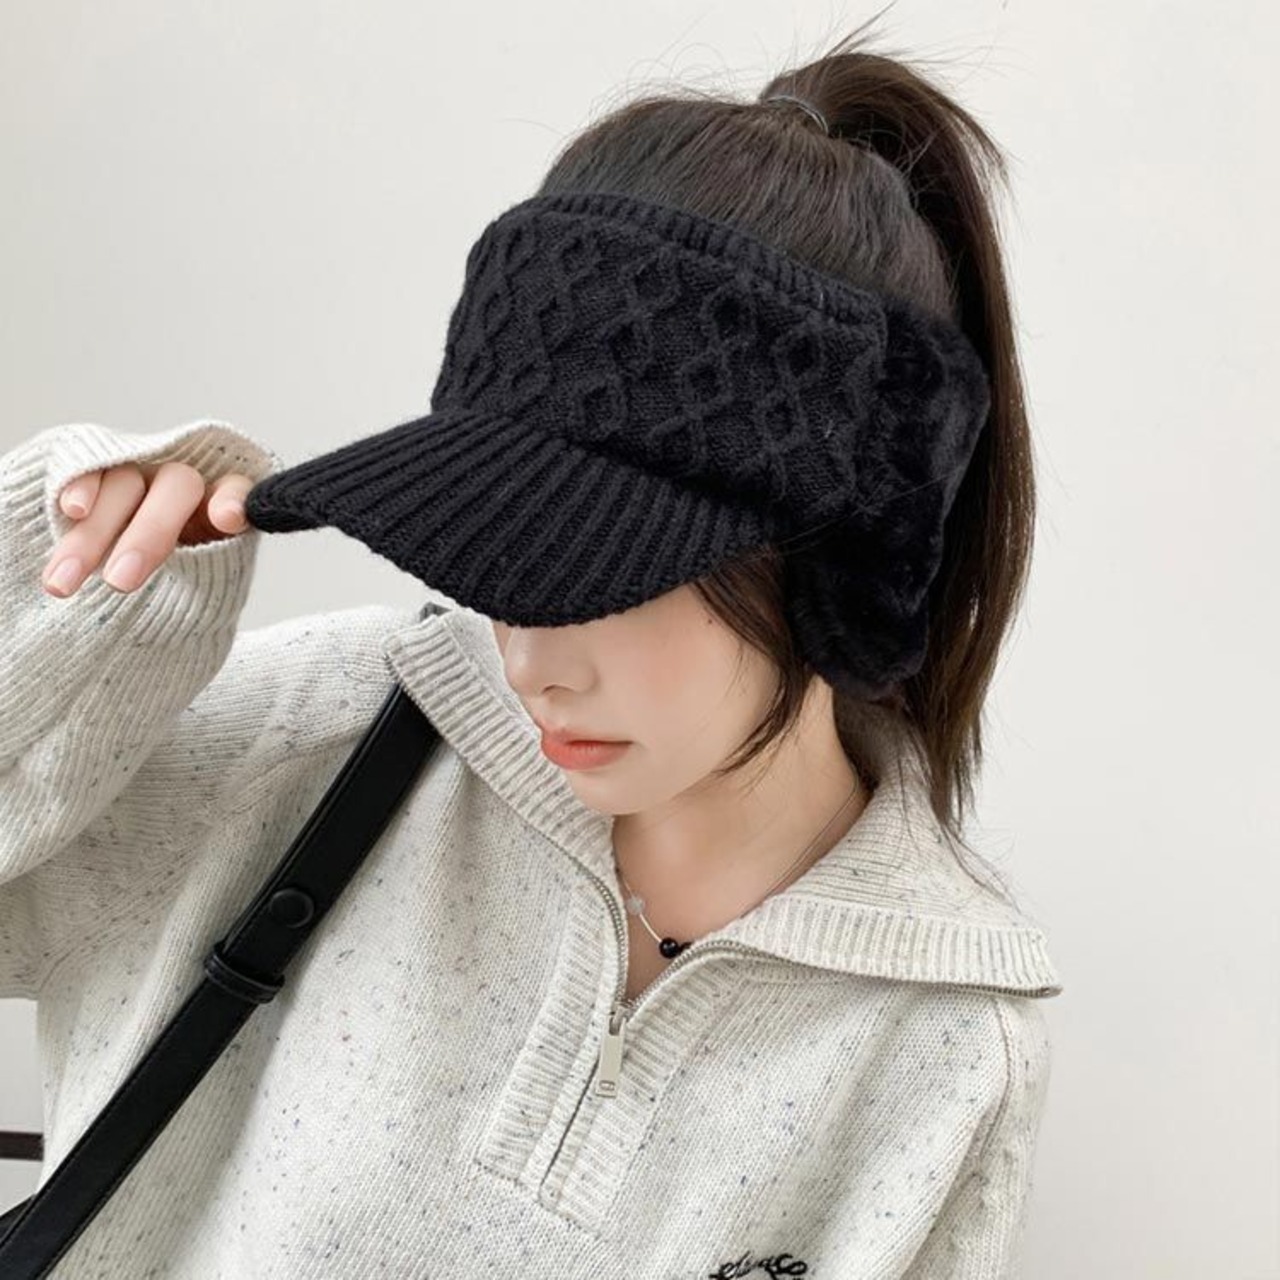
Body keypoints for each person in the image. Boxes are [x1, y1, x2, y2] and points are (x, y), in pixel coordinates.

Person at [1, 22, 1063, 1279]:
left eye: (607, 570)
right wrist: (63, 589)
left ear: (838, 559)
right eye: (501, 553)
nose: (531, 661)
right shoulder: (327, 733)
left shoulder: (945, 1043)